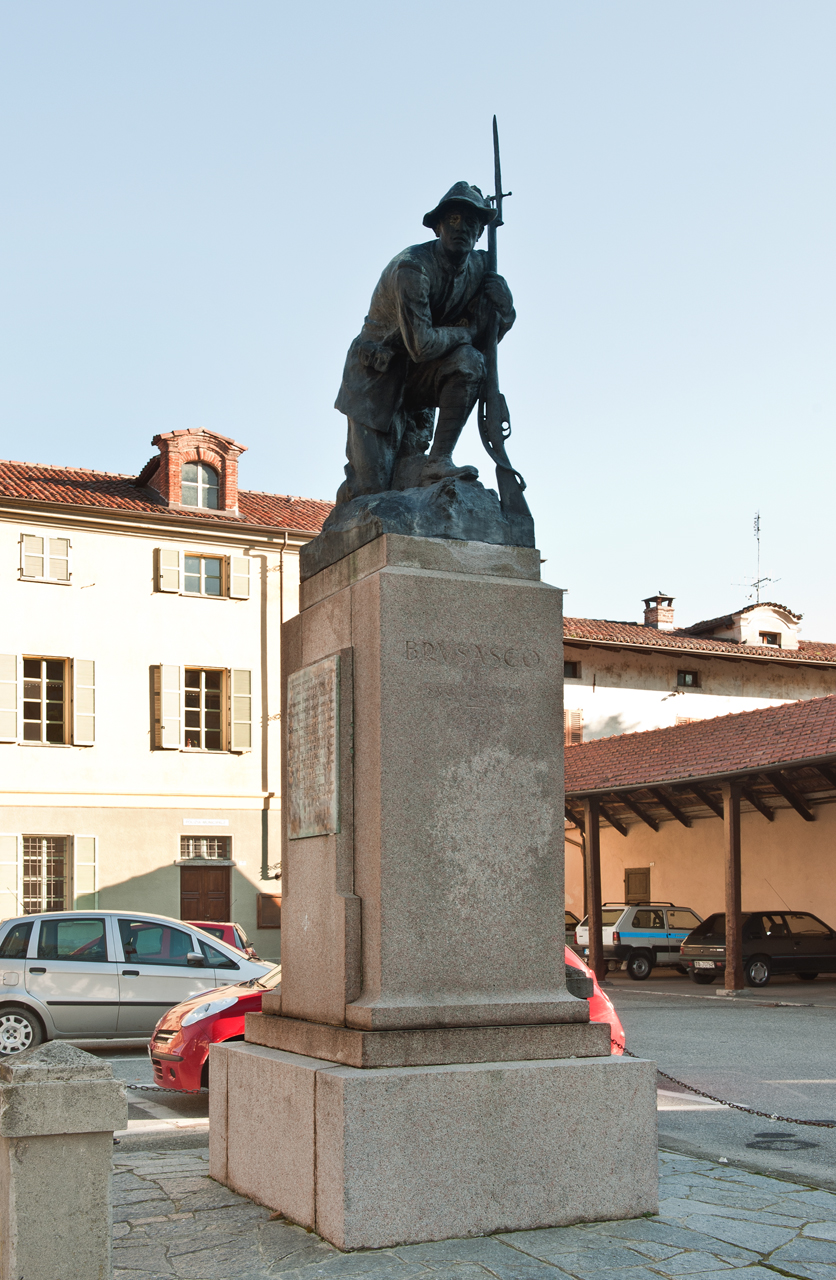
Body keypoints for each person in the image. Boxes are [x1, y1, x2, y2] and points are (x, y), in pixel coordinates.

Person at [334, 182, 515, 504]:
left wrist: (505, 311)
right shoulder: (412, 267)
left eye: (471, 222)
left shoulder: (482, 267)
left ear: (479, 232)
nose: (462, 228)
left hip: (422, 377)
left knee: (470, 361)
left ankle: (439, 460)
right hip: (377, 377)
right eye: (454, 220)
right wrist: (469, 331)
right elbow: (423, 345)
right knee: (370, 492)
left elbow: (486, 340)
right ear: (438, 227)